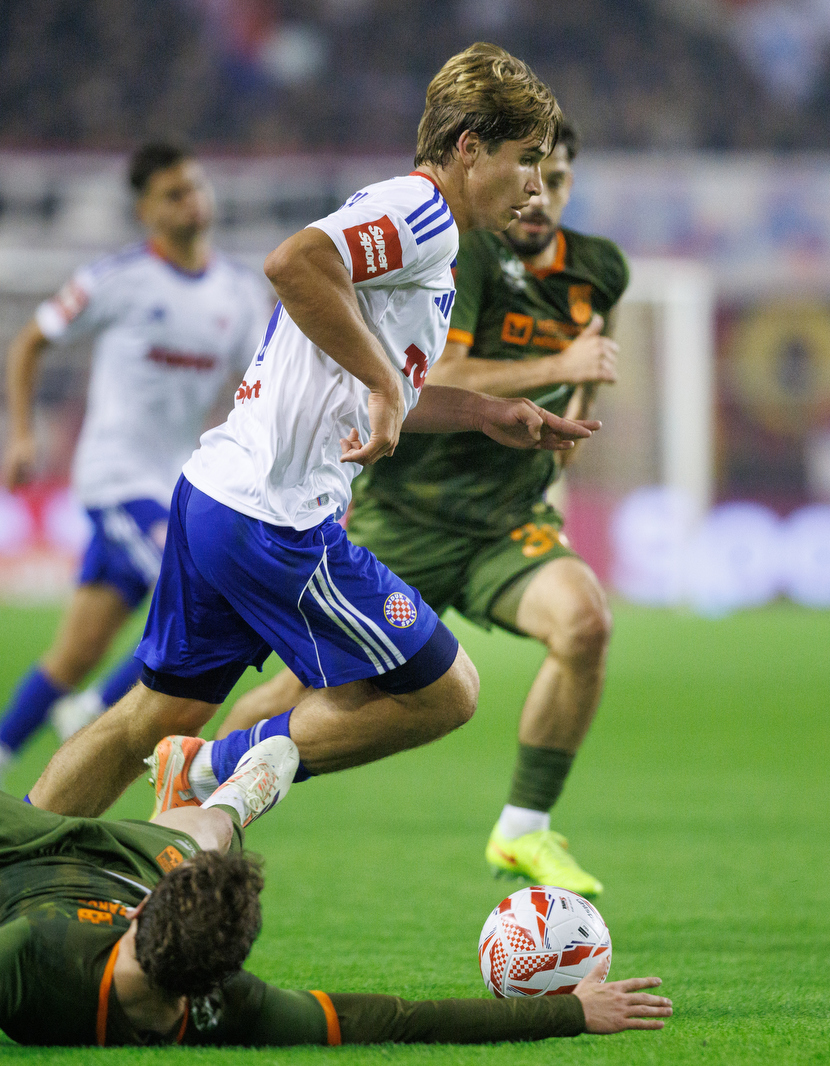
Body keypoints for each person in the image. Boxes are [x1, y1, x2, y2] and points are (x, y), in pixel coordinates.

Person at [26, 43, 600, 823]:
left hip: (218, 496)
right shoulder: (422, 213)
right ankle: (210, 772)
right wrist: (380, 383)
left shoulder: (417, 226)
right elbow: (294, 264)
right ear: (469, 147)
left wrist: (487, 413)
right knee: (446, 691)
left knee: (149, 716)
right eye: (525, 158)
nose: (536, 185)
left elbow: (381, 383)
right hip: (277, 519)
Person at [0, 698, 672, 1046]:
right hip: (135, 862)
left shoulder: (34, 959)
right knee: (200, 836)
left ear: (145, 934)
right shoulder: (228, 1004)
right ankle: (226, 793)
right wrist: (564, 1016)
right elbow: (390, 1018)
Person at [217, 123, 626, 898]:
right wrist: (559, 365)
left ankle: (523, 829)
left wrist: (575, 398)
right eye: (536, 171)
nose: (543, 196)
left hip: (505, 520)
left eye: (561, 180)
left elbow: (587, 368)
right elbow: (442, 371)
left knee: (586, 623)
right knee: (302, 695)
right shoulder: (464, 249)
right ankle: (208, 793)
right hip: (405, 514)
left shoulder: (599, 269)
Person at [0, 142, 269, 786]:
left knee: (72, 654)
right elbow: (30, 342)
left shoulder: (239, 293)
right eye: (174, 194)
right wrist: (21, 434)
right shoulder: (115, 280)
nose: (192, 201)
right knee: (206, 591)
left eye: (196, 187)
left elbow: (256, 390)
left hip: (178, 484)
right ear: (144, 211)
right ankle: (95, 716)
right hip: (117, 479)